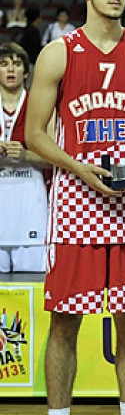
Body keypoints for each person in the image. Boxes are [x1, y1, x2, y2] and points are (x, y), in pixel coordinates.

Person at [25, 0, 125, 414]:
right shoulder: (58, 52)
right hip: (76, 203)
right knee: (65, 320)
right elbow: (34, 134)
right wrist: (78, 167)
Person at [0, 42, 49, 273]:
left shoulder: (40, 106)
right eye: (4, 64)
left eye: (17, 64)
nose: (11, 69)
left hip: (31, 210)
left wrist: (26, 154)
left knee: (34, 285)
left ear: (26, 72)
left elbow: (59, 159)